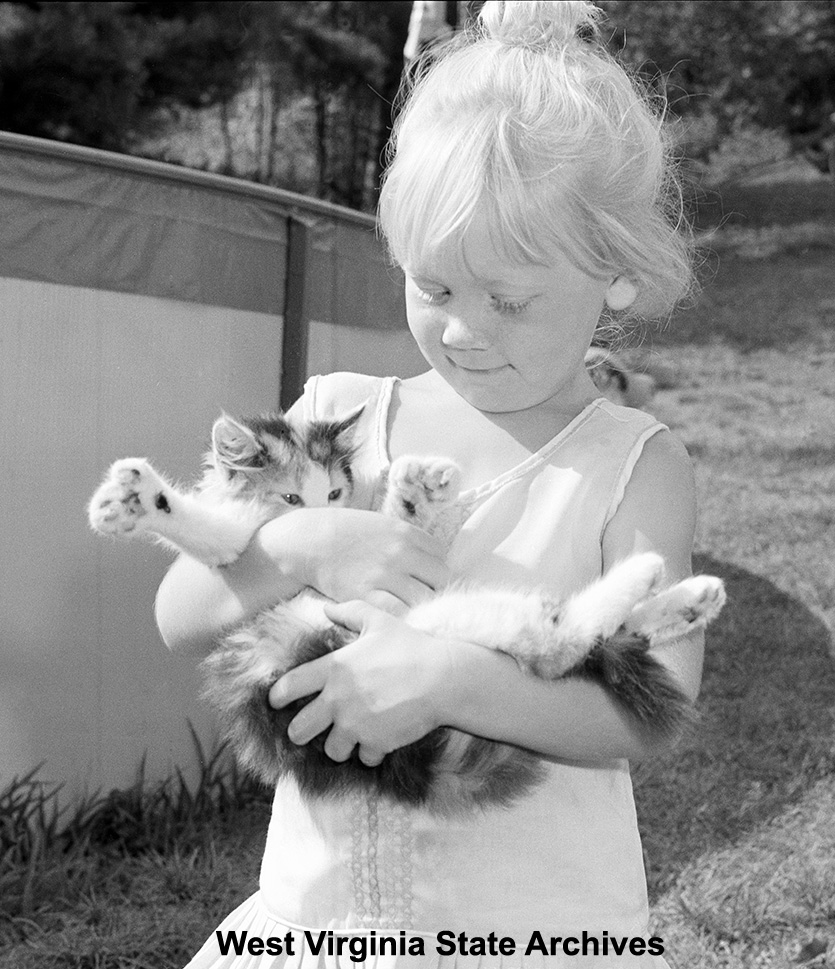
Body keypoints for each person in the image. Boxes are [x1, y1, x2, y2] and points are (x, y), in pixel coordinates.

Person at [158, 1, 700, 964]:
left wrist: (445, 678)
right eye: (434, 287)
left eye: (509, 300)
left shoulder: (632, 465)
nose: (461, 331)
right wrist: (297, 543)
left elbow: (645, 710)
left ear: (614, 272)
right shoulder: (341, 420)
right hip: (319, 928)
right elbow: (179, 608)